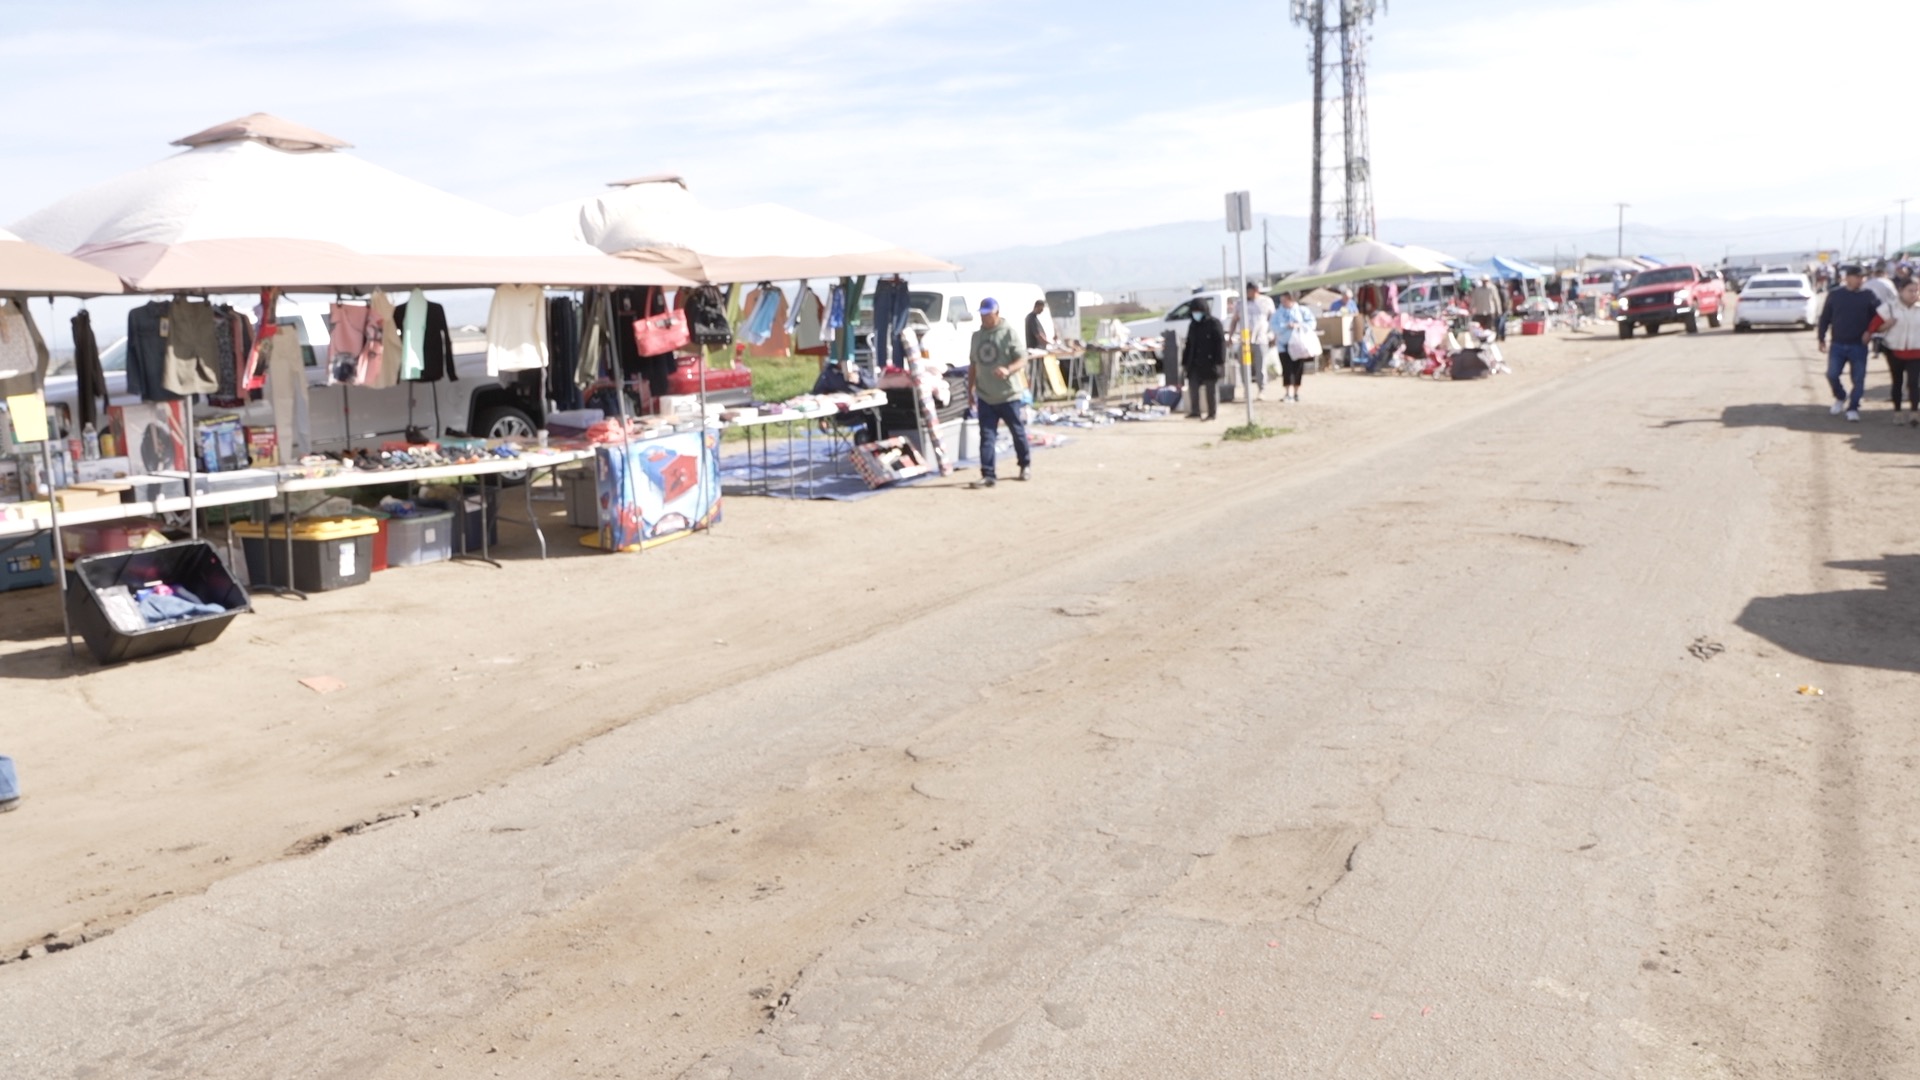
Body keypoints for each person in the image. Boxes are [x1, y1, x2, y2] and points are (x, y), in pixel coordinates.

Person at [967, 297, 1031, 487]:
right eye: (982, 315)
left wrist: (1008, 369)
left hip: (1008, 395)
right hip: (985, 395)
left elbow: (1022, 359)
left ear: (996, 313)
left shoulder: (1008, 333)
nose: (984, 318)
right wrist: (970, 389)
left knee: (1017, 431)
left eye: (988, 314)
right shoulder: (976, 337)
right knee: (987, 436)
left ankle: (1024, 464)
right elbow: (973, 364)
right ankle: (988, 474)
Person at [1817, 265, 1882, 422]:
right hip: (1838, 343)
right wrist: (1821, 338)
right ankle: (1840, 396)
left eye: (1863, 277)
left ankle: (1853, 407)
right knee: (1832, 374)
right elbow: (1825, 318)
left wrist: (1871, 333)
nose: (1861, 280)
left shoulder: (1869, 295)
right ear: (1847, 278)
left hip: (1859, 344)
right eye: (1857, 277)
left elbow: (1879, 317)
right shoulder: (1835, 295)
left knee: (1858, 378)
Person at [1869, 277, 1920, 413]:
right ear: (1901, 290)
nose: (1914, 294)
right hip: (1894, 351)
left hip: (1916, 352)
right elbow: (1874, 328)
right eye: (1910, 291)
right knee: (1897, 382)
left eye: (1916, 291)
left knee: (1914, 383)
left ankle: (1914, 411)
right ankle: (1897, 411)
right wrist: (1886, 325)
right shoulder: (1889, 308)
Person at [1228, 282, 1275, 399]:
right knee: (1245, 366)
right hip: (1245, 340)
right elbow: (1234, 320)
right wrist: (1230, 336)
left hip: (1261, 339)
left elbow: (1272, 320)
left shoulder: (1266, 302)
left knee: (1261, 365)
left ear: (1255, 290)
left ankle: (1261, 389)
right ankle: (1246, 389)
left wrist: (1272, 335)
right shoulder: (1240, 303)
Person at [1182, 298, 1225, 420]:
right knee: (1193, 387)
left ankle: (1212, 413)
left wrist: (1220, 361)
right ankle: (1195, 411)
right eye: (1194, 311)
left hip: (1210, 362)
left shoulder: (1214, 323)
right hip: (1194, 362)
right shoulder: (1193, 325)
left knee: (1210, 389)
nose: (1196, 314)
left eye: (1198, 311)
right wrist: (1185, 361)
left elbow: (1220, 343)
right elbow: (1189, 344)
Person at [1270, 291, 1317, 402]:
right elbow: (1273, 327)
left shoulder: (1302, 310)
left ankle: (1296, 392)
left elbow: (1312, 324)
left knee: (1298, 369)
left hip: (1299, 345)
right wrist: (1285, 326)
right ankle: (1288, 393)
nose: (1284, 302)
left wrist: (1298, 325)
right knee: (1287, 369)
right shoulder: (1278, 313)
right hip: (1283, 345)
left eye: (1286, 299)